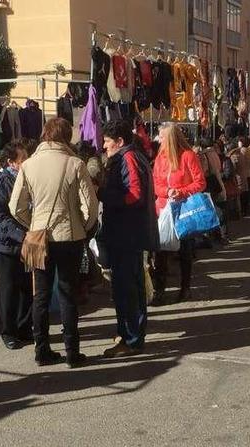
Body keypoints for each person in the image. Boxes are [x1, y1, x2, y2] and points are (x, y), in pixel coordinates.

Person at [10, 118, 99, 368]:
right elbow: (90, 205)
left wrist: (33, 224)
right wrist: (84, 224)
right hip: (69, 237)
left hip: (39, 236)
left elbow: (15, 207)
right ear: (66, 137)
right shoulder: (75, 164)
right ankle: (72, 352)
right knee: (68, 294)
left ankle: (42, 350)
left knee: (41, 295)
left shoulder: (28, 165)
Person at [98, 120, 158, 358]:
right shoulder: (134, 156)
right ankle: (130, 335)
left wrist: (104, 194)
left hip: (126, 233)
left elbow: (134, 193)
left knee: (126, 289)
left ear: (119, 141)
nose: (104, 146)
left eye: (107, 142)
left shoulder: (128, 158)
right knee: (132, 287)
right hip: (129, 233)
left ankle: (130, 338)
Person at [0, 138, 37, 350]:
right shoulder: (1, 182)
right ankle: (9, 332)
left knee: (27, 287)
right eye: (22, 158)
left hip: (25, 241)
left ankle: (24, 328)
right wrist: (20, 234)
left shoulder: (28, 179)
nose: (27, 161)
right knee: (8, 289)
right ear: (11, 162)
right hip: (4, 244)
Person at [151, 123, 206, 304]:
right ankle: (159, 289)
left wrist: (180, 191)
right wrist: (167, 192)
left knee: (184, 251)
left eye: (162, 136)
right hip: (163, 210)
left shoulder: (188, 156)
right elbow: (155, 183)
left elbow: (200, 183)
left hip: (183, 210)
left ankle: (185, 287)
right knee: (161, 251)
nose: (159, 139)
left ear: (171, 138)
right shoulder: (160, 158)